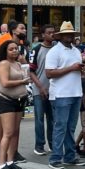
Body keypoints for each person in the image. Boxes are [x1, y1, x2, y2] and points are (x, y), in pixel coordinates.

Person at [43, 22, 85, 169]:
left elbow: (76, 70)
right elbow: (49, 73)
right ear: (61, 36)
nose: (70, 36)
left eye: (71, 34)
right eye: (67, 34)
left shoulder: (76, 51)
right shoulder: (54, 52)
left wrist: (82, 70)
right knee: (60, 127)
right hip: (60, 94)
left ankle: (69, 156)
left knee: (70, 128)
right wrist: (71, 68)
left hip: (75, 92)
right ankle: (55, 158)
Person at [0, 39, 30, 169]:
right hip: (6, 101)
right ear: (5, 51)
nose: (15, 51)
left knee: (15, 132)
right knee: (8, 133)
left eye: (16, 48)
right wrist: (22, 81)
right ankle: (1, 164)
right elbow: (5, 83)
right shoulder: (4, 64)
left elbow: (27, 75)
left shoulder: (18, 63)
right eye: (11, 49)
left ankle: (10, 161)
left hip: (19, 100)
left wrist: (24, 63)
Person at [30, 24, 56, 155]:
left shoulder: (57, 48)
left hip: (54, 90)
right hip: (39, 89)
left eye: (53, 32)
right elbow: (31, 71)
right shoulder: (36, 49)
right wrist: (40, 87)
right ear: (43, 35)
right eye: (49, 32)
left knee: (52, 119)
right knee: (39, 119)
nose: (52, 34)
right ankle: (39, 145)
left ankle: (52, 144)